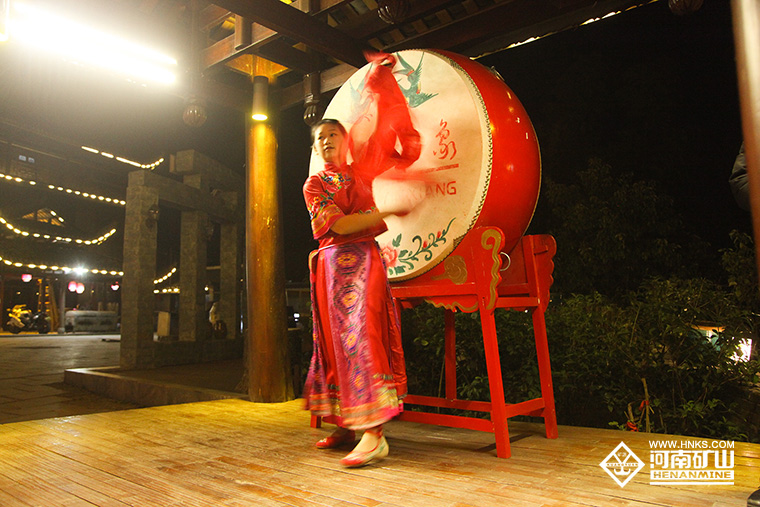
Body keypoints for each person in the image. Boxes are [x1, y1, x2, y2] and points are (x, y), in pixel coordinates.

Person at [302, 118, 411, 468]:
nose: (326, 140)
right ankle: (347, 424)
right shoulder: (314, 185)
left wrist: (388, 109)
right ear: (315, 148)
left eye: (333, 134)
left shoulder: (362, 172)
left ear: (346, 140)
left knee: (364, 338)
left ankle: (374, 434)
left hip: (364, 263)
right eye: (320, 137)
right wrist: (387, 211)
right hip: (332, 268)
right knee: (335, 345)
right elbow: (341, 225)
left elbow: (401, 152)